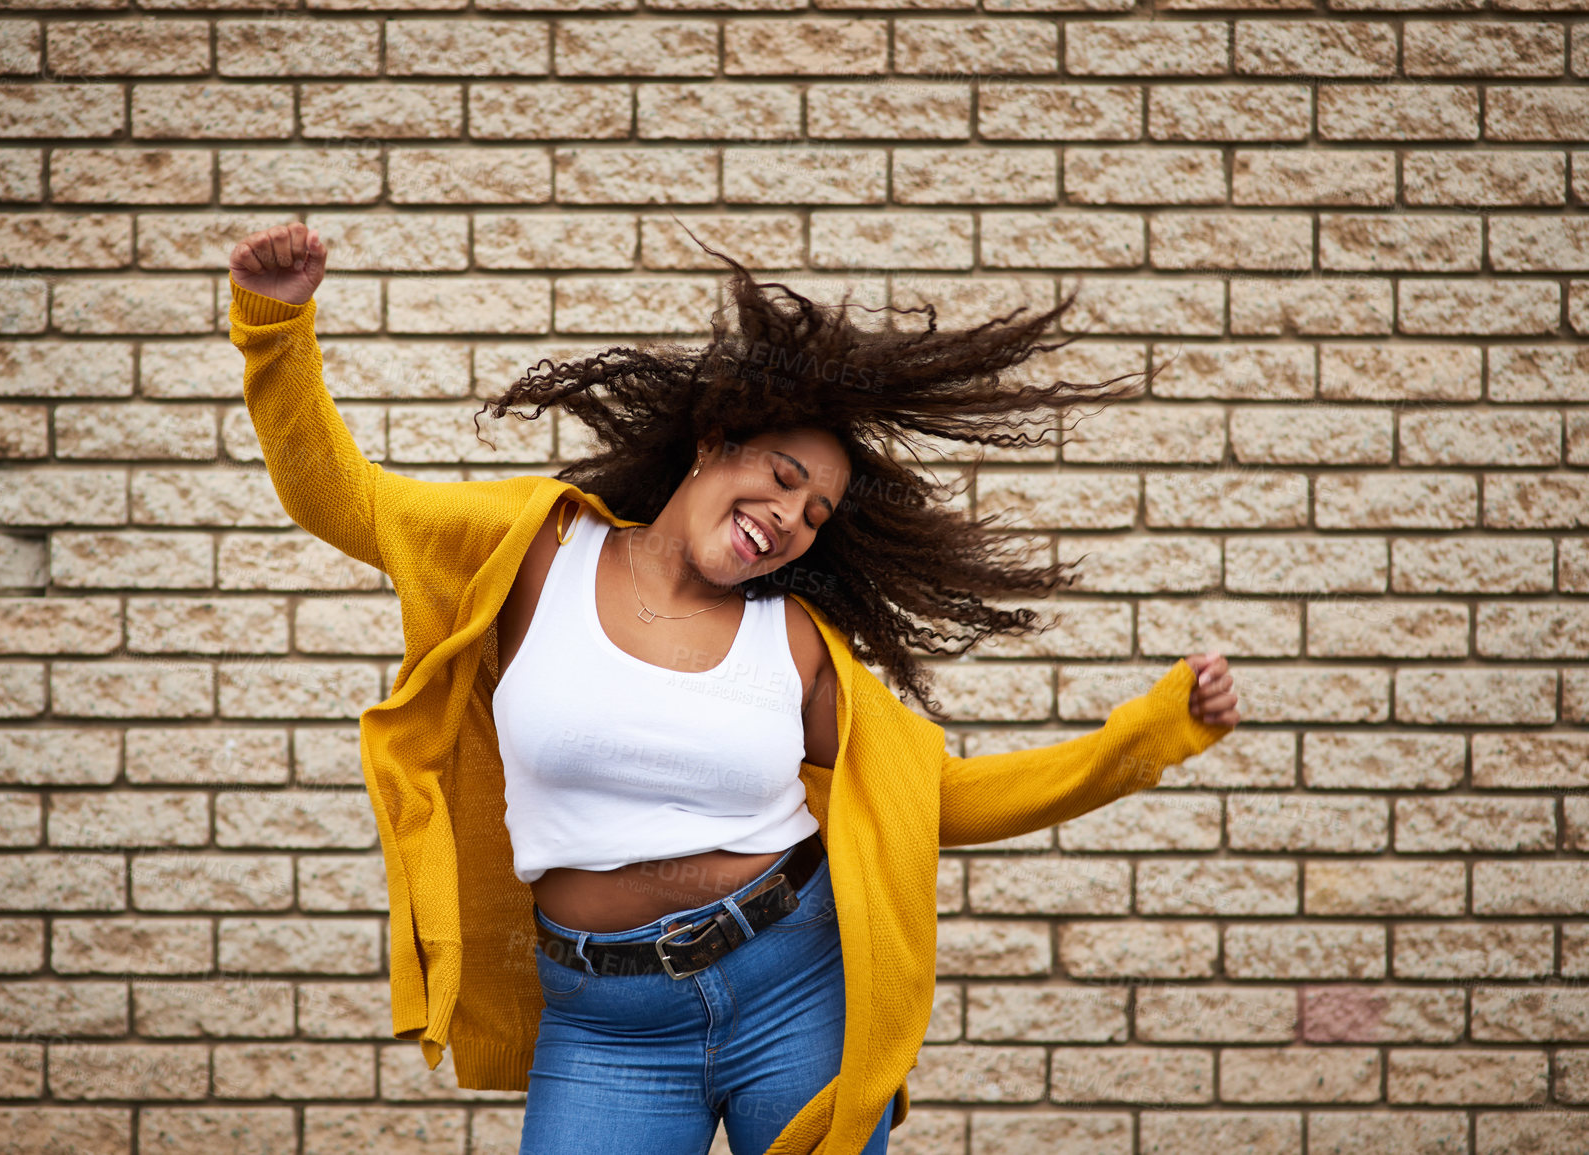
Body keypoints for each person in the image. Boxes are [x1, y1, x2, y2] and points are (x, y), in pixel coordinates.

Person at [227, 220, 1241, 1155]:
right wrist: (278, 329)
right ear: (716, 440)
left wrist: (1149, 735)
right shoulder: (532, 553)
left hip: (794, 987)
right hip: (604, 1019)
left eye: (818, 513)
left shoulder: (795, 641)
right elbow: (341, 498)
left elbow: (937, 800)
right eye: (786, 475)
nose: (793, 516)